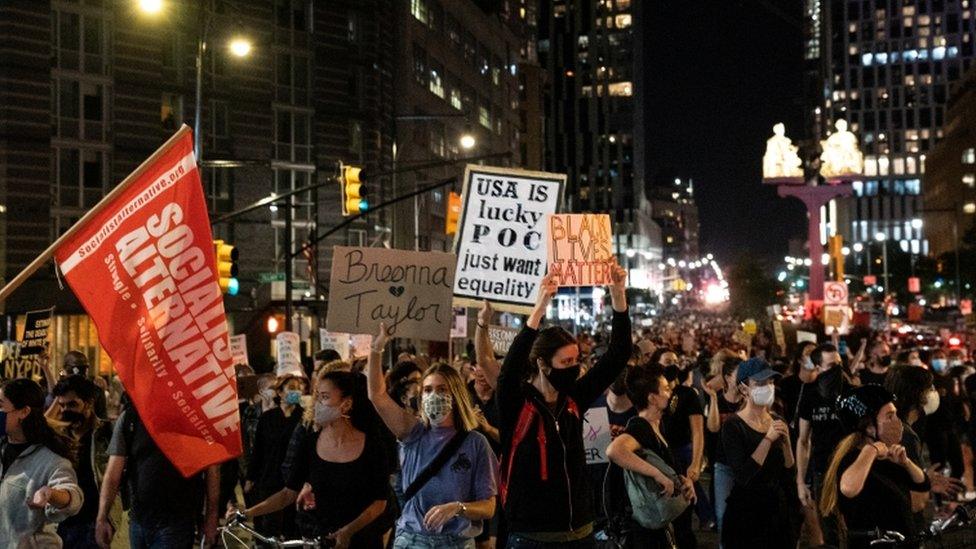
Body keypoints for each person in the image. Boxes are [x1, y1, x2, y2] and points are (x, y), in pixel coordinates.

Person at [497, 265, 630, 547]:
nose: (574, 368)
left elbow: (618, 355)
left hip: (581, 531)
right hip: (531, 537)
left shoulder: (573, 398)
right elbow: (509, 371)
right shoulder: (517, 404)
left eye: (576, 361)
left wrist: (618, 297)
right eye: (565, 362)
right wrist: (540, 306)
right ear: (543, 365)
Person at [367, 323, 498, 549]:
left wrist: (458, 507)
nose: (433, 395)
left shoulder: (476, 443)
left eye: (442, 389)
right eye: (428, 390)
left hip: (456, 542)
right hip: (413, 539)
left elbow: (489, 506)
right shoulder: (412, 432)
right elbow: (377, 395)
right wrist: (376, 348)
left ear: (456, 394)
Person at [232, 370, 391, 548]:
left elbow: (380, 502)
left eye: (324, 397)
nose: (317, 404)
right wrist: (248, 513)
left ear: (346, 404)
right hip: (322, 539)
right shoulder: (310, 443)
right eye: (317, 396)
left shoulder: (372, 446)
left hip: (364, 540)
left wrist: (348, 531)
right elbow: (287, 494)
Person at [95, 402, 220, 548]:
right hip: (138, 519)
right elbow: (112, 474)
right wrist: (102, 517)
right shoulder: (131, 418)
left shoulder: (195, 419)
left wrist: (211, 518)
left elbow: (212, 470)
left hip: (176, 523)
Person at [820, 385, 929, 549]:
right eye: (889, 416)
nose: (897, 422)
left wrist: (906, 463)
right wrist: (872, 449)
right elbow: (849, 488)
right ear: (868, 426)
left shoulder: (889, 457)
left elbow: (923, 484)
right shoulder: (852, 459)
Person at [606, 364, 695, 548]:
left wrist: (682, 480)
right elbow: (615, 450)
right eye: (666, 389)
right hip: (648, 536)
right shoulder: (640, 426)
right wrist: (657, 474)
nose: (671, 394)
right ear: (652, 398)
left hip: (663, 526)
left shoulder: (657, 426)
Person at [720, 358, 799, 549]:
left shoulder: (777, 419)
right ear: (744, 388)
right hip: (747, 512)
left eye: (770, 382)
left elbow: (789, 472)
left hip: (776, 510)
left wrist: (787, 443)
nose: (768, 387)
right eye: (760, 383)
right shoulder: (733, 425)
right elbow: (743, 475)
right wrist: (768, 439)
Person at [0, 378, 83, 547]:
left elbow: (72, 497)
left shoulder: (50, 460)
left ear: (24, 412)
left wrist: (51, 494)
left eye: (1, 406)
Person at [795, 343, 849, 545]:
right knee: (830, 531)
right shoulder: (810, 395)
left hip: (850, 469)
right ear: (817, 368)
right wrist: (801, 481)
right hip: (823, 472)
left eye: (839, 364)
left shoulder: (852, 392)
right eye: (831, 365)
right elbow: (803, 440)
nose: (837, 369)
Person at [50, 376, 113, 548]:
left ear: (89, 403)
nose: (65, 410)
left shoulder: (106, 435)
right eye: (61, 405)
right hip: (62, 522)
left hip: (93, 522)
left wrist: (107, 519)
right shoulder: (58, 437)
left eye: (72, 404)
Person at [245, 372, 306, 539]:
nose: (297, 392)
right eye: (292, 388)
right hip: (269, 477)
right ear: (280, 392)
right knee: (269, 525)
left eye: (299, 388)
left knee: (292, 527)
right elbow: (258, 450)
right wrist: (250, 478)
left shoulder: (304, 417)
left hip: (294, 479)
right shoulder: (268, 418)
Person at [702, 355, 740, 540]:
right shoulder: (716, 399)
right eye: (738, 375)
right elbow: (713, 428)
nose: (743, 380)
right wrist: (714, 400)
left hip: (745, 463)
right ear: (727, 377)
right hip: (723, 464)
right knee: (723, 515)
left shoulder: (748, 401)